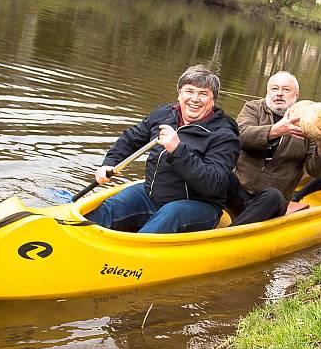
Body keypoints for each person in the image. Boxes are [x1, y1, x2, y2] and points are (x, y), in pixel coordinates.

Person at [85, 65, 239, 233]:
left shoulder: (224, 135)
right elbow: (130, 139)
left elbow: (214, 184)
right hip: (151, 196)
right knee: (108, 209)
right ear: (179, 93)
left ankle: (132, 254)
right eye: (189, 91)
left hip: (199, 207)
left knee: (170, 214)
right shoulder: (164, 114)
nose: (195, 99)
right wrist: (109, 163)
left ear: (213, 100)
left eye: (203, 94)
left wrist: (178, 150)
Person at [225, 71, 321, 226]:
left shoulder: (309, 121)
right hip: (240, 191)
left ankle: (228, 237)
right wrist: (275, 130)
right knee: (219, 173)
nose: (279, 94)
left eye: (286, 90)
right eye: (274, 89)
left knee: (273, 195)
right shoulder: (253, 108)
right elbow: (240, 137)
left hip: (272, 201)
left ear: (296, 94)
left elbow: (317, 171)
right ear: (268, 92)